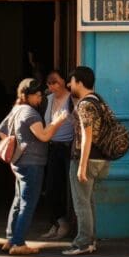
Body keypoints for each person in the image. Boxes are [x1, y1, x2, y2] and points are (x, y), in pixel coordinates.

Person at [0, 78, 69, 255]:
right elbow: (44, 136)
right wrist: (58, 121)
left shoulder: (16, 110)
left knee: (18, 201)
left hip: (19, 162)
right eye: (37, 95)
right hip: (32, 163)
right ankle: (19, 243)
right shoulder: (30, 113)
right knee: (28, 203)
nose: (40, 98)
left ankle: (10, 239)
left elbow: (1, 130)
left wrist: (18, 144)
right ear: (28, 96)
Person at [65, 66, 111, 256]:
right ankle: (90, 240)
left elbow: (87, 136)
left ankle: (83, 242)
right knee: (89, 201)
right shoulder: (100, 101)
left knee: (81, 202)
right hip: (101, 158)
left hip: (87, 158)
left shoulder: (85, 105)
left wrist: (81, 166)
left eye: (72, 81)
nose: (70, 85)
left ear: (80, 83)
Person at [40, 70, 75, 240]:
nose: (52, 86)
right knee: (52, 187)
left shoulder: (72, 99)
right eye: (49, 83)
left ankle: (70, 225)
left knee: (70, 188)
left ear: (64, 80)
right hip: (52, 147)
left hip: (68, 148)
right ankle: (58, 222)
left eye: (55, 81)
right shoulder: (48, 100)